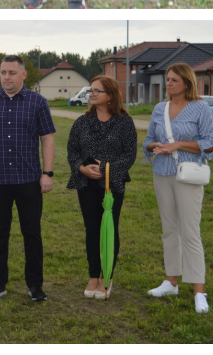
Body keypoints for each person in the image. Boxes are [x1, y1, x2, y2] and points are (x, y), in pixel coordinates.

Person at [0, 55, 57, 302]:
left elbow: (47, 138)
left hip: (29, 180)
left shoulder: (37, 102)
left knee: (32, 234)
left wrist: (47, 173)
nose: (6, 77)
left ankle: (35, 285)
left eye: (11, 73)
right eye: (3, 73)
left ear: (23, 75)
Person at [142, 63, 213, 313]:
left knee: (190, 232)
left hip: (188, 175)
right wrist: (156, 147)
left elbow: (209, 144)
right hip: (161, 173)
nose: (169, 83)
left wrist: (176, 145)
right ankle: (171, 281)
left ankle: (199, 291)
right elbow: (148, 140)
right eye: (168, 79)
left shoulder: (201, 108)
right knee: (169, 230)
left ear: (187, 82)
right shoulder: (159, 108)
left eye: (174, 80)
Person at [67, 76, 137, 299]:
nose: (92, 94)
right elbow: (72, 150)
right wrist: (82, 168)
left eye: (97, 91)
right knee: (92, 229)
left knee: (109, 228)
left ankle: (107, 277)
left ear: (110, 96)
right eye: (91, 91)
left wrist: (107, 169)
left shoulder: (124, 122)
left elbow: (129, 154)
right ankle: (93, 276)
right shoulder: (81, 122)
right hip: (85, 183)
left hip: (112, 185)